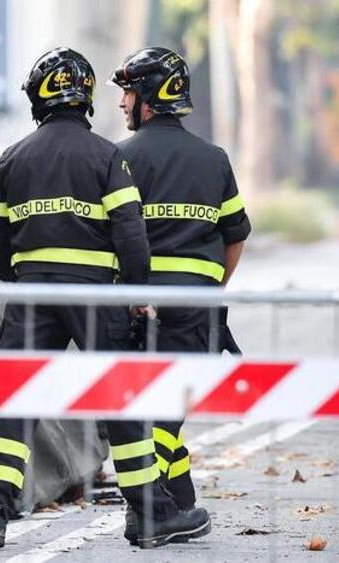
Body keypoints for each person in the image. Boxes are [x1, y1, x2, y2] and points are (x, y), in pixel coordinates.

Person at [0, 47, 211, 551]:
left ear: (40, 96)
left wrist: (18, 277)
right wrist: (137, 292)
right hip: (94, 297)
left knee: (14, 402)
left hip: (33, 293)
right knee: (119, 401)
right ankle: (149, 516)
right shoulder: (106, 155)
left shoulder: (14, 156)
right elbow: (130, 231)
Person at [111, 47, 251, 544]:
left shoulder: (119, 158)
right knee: (170, 405)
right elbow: (236, 234)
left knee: (153, 405)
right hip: (197, 304)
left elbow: (109, 234)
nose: (122, 103)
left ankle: (164, 508)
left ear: (148, 97)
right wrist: (213, 288)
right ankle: (164, 509)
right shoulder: (214, 159)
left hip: (137, 304)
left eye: (128, 92)